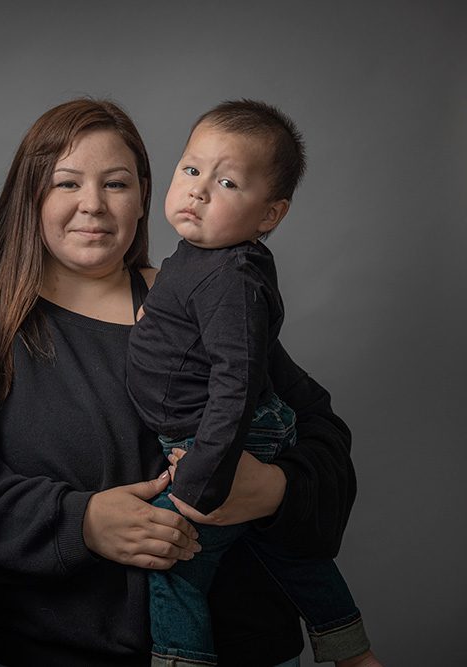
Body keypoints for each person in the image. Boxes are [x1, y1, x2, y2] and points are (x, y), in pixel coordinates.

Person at [0, 98, 359, 667]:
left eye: (115, 184)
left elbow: (321, 435)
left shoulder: (196, 298)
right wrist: (80, 521)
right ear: (31, 195)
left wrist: (274, 490)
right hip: (47, 648)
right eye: (66, 183)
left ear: (143, 195)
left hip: (244, 645)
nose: (92, 205)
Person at [127, 100, 378, 666]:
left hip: (227, 438)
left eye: (228, 182)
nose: (198, 191)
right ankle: (351, 651)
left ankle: (181, 659)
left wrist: (200, 479)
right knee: (284, 552)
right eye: (191, 170)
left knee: (175, 561)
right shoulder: (196, 257)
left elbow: (237, 387)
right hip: (218, 431)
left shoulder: (231, 279)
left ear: (270, 215)